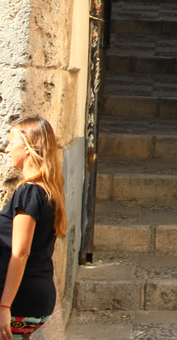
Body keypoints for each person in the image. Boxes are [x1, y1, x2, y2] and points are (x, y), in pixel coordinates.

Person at [0, 118, 67, 340]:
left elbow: (21, 252)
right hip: (38, 295)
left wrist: (4, 305)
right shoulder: (50, 190)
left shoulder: (29, 192)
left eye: (12, 142)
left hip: (19, 300)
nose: (6, 148)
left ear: (29, 148)